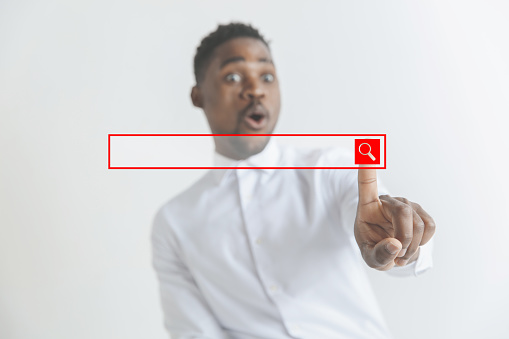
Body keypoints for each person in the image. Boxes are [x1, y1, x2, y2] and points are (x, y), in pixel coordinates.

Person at [151, 22, 436, 339]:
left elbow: (374, 219)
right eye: (233, 76)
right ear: (198, 95)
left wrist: (400, 240)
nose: (255, 89)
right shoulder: (174, 222)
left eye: (267, 77)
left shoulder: (329, 169)